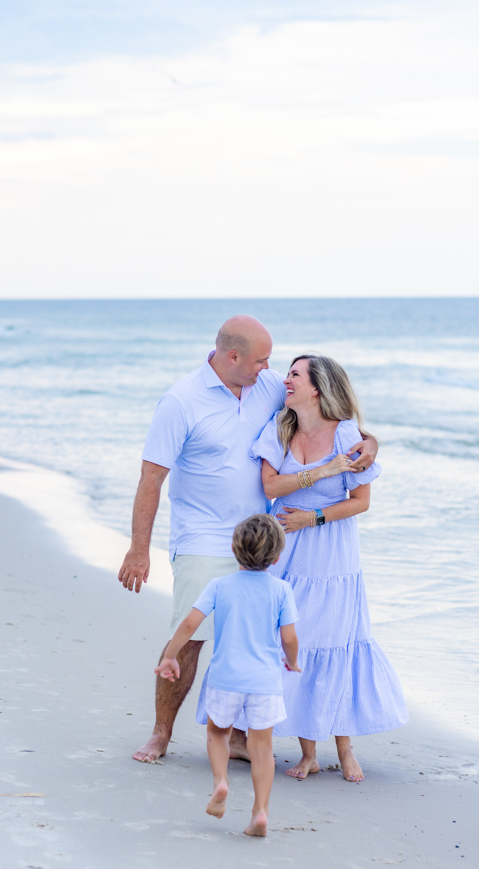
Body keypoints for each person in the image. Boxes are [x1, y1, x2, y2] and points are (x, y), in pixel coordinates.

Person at [118, 316, 379, 764]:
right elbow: (151, 477)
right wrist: (138, 548)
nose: (269, 369)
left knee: (256, 638)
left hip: (262, 535)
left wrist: (370, 443)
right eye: (261, 360)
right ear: (233, 356)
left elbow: (328, 412)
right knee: (192, 634)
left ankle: (239, 737)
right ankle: (161, 733)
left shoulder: (267, 384)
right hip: (203, 535)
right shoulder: (181, 402)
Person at [250, 354, 408, 782]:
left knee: (335, 641)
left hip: (331, 551)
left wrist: (313, 517)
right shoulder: (281, 427)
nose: (286, 380)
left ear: (317, 389)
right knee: (294, 642)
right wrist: (320, 473)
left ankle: (344, 748)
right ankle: (308, 753)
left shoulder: (347, 435)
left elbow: (361, 501)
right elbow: (270, 485)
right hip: (285, 548)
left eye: (295, 375)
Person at [155, 514, 300, 837]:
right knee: (261, 747)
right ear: (277, 557)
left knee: (218, 733)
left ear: (234, 550)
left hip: (225, 678)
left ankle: (221, 782)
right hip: (264, 682)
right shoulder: (281, 590)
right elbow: (290, 638)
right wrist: (292, 661)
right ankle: (260, 812)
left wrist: (170, 656)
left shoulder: (219, 585)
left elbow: (190, 624)